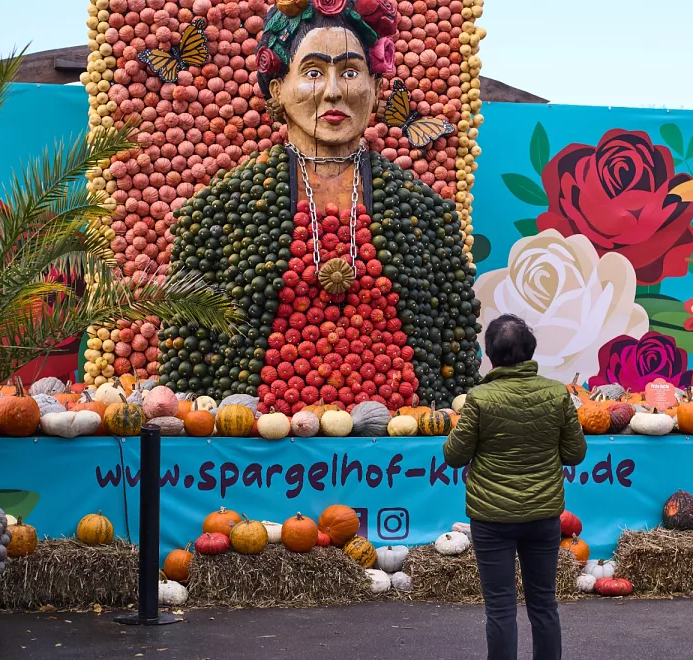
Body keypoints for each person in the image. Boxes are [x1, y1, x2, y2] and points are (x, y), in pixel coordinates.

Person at [159, 0, 483, 412]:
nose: (333, 91)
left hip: (401, 433)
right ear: (278, 89)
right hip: (260, 436)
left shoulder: (428, 215)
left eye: (350, 72)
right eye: (313, 72)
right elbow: (187, 349)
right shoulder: (217, 212)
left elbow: (455, 341)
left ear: (376, 89)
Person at [443, 314, 586, 660]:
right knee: (544, 605)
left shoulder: (479, 398)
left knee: (500, 608)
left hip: (492, 518)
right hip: (543, 515)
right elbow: (575, 453)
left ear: (490, 355)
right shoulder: (557, 394)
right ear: (531, 351)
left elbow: (455, 456)